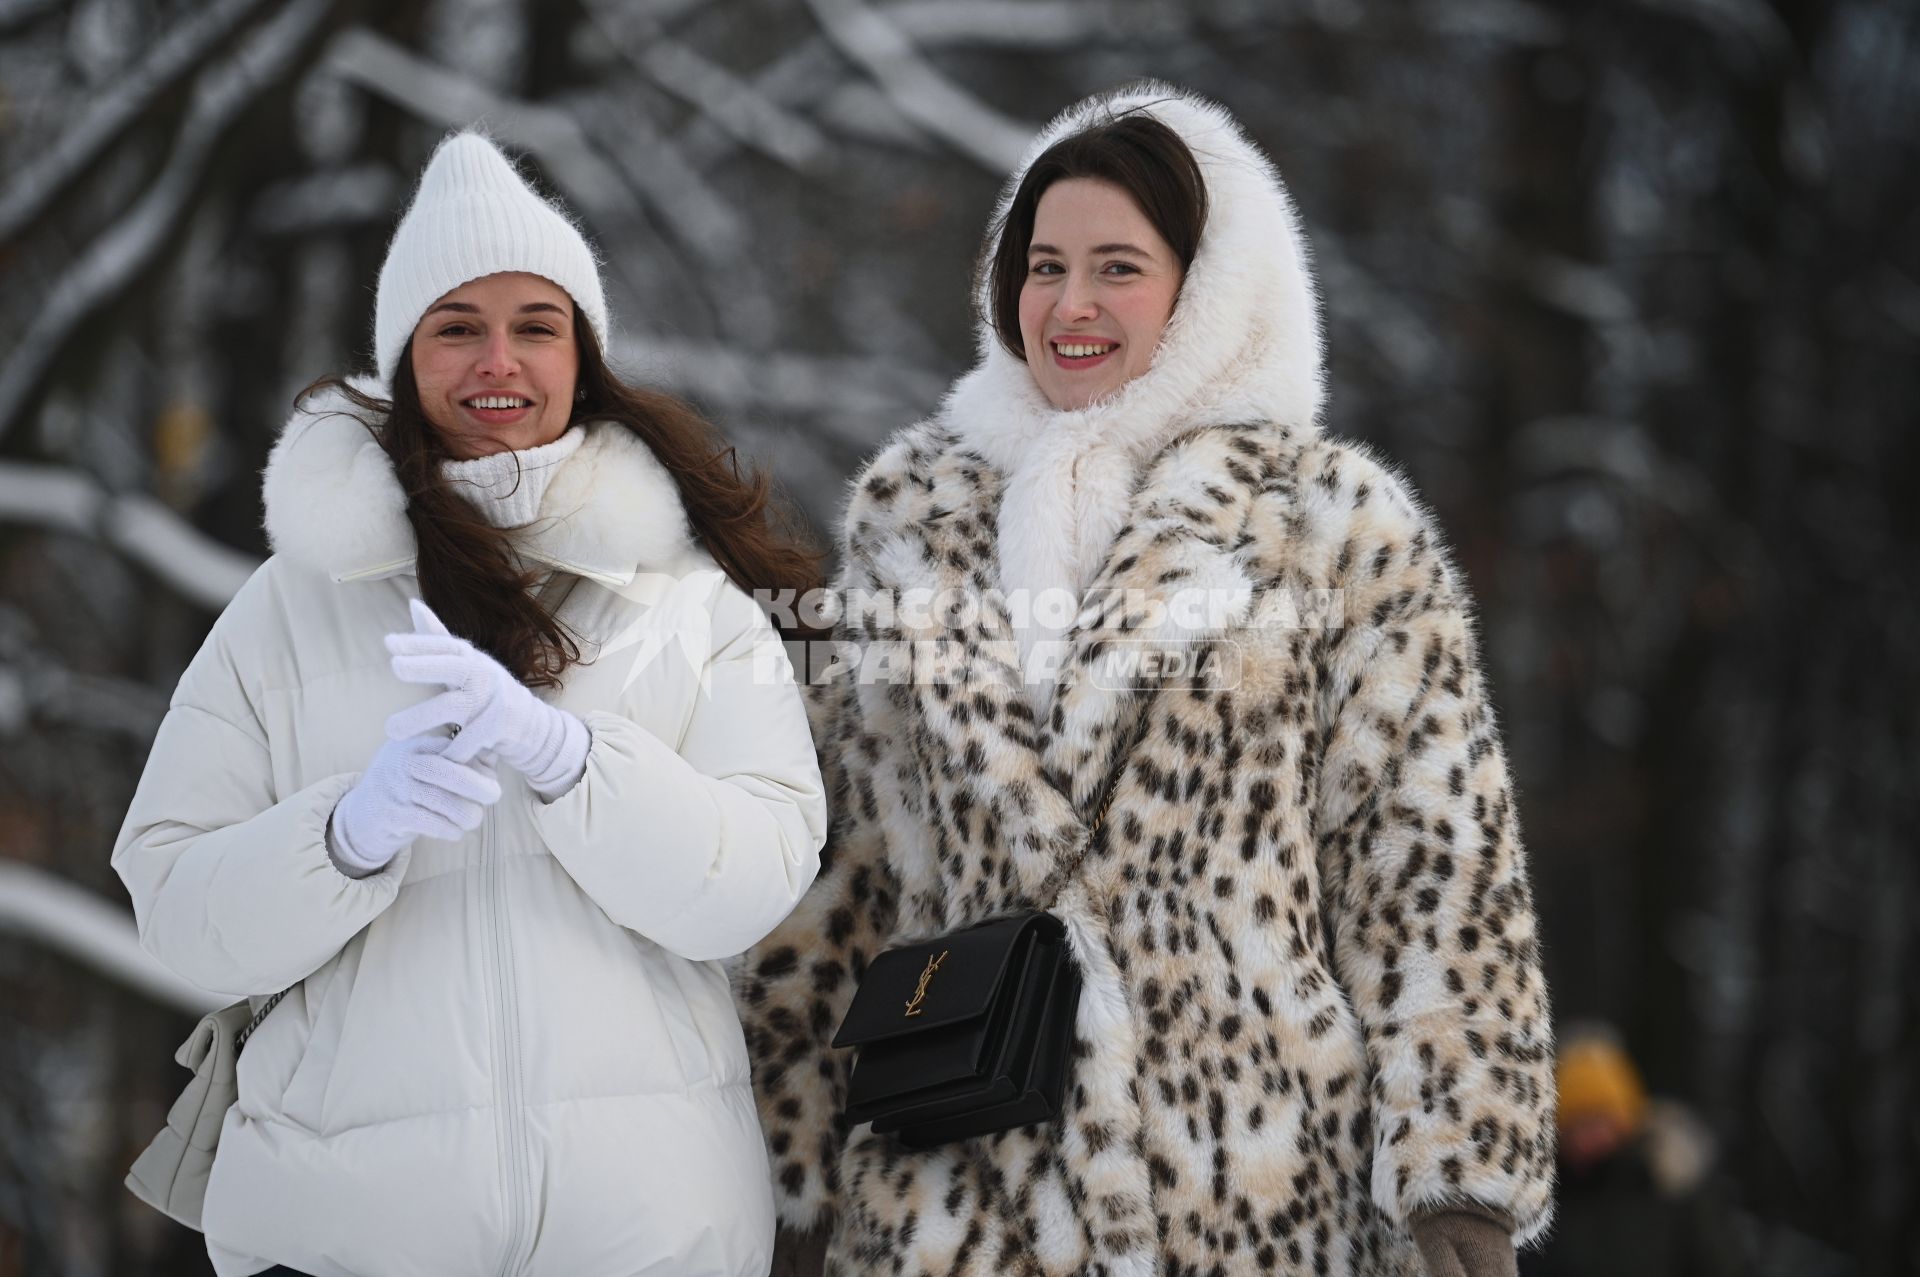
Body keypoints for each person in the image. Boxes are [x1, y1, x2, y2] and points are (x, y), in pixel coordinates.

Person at [738, 83, 1556, 1276]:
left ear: (1207, 286)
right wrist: (791, 1167)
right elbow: (844, 865)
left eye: (1118, 266)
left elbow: (1433, 862)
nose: (1070, 304)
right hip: (959, 1195)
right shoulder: (912, 517)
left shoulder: (1331, 523)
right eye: (1044, 264)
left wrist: (1462, 1180)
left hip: (1256, 1189)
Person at [111, 131, 828, 1276]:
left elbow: (753, 881)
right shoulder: (287, 608)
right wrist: (341, 837)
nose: (499, 359)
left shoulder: (689, 605)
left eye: (535, 326)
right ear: (406, 358)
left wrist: (576, 764)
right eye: (458, 326)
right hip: (341, 1239)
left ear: (581, 357)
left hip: (649, 1237)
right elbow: (176, 907)